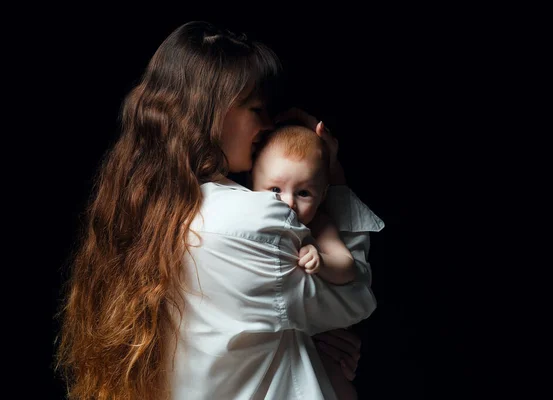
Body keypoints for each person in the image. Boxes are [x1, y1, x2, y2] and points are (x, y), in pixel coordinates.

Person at [54, 20, 385, 400]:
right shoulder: (252, 220)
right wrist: (333, 176)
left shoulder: (146, 209)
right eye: (256, 108)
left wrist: (307, 339)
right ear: (216, 109)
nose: (267, 124)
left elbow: (254, 318)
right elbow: (355, 298)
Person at [250, 124, 356, 285]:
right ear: (252, 184)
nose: (289, 203)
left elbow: (348, 268)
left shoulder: (319, 225)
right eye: (275, 189)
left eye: (303, 193)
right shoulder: (245, 213)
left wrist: (322, 261)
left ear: (322, 196)